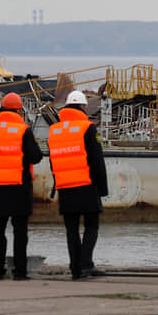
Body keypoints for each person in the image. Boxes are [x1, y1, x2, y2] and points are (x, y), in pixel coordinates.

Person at [0, 92, 42, 281]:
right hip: (19, 187)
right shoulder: (23, 131)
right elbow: (36, 156)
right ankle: (20, 272)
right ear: (19, 110)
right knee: (20, 231)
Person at [48, 90, 108, 280]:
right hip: (86, 184)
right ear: (83, 107)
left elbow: (53, 160)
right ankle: (86, 264)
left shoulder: (55, 130)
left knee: (71, 228)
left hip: (65, 186)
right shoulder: (87, 128)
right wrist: (103, 188)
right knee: (92, 226)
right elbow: (97, 161)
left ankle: (75, 268)